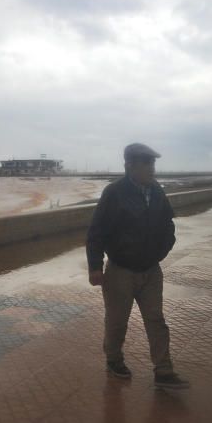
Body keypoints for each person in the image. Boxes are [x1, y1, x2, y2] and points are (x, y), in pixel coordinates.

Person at [87, 143, 190, 391]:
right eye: (146, 163)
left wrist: (159, 253)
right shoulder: (114, 193)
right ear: (129, 165)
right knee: (117, 321)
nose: (152, 168)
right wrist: (95, 266)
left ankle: (164, 371)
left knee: (156, 320)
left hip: (151, 270)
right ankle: (114, 360)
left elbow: (169, 226)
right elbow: (96, 232)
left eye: (153, 163)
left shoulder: (157, 192)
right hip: (120, 270)